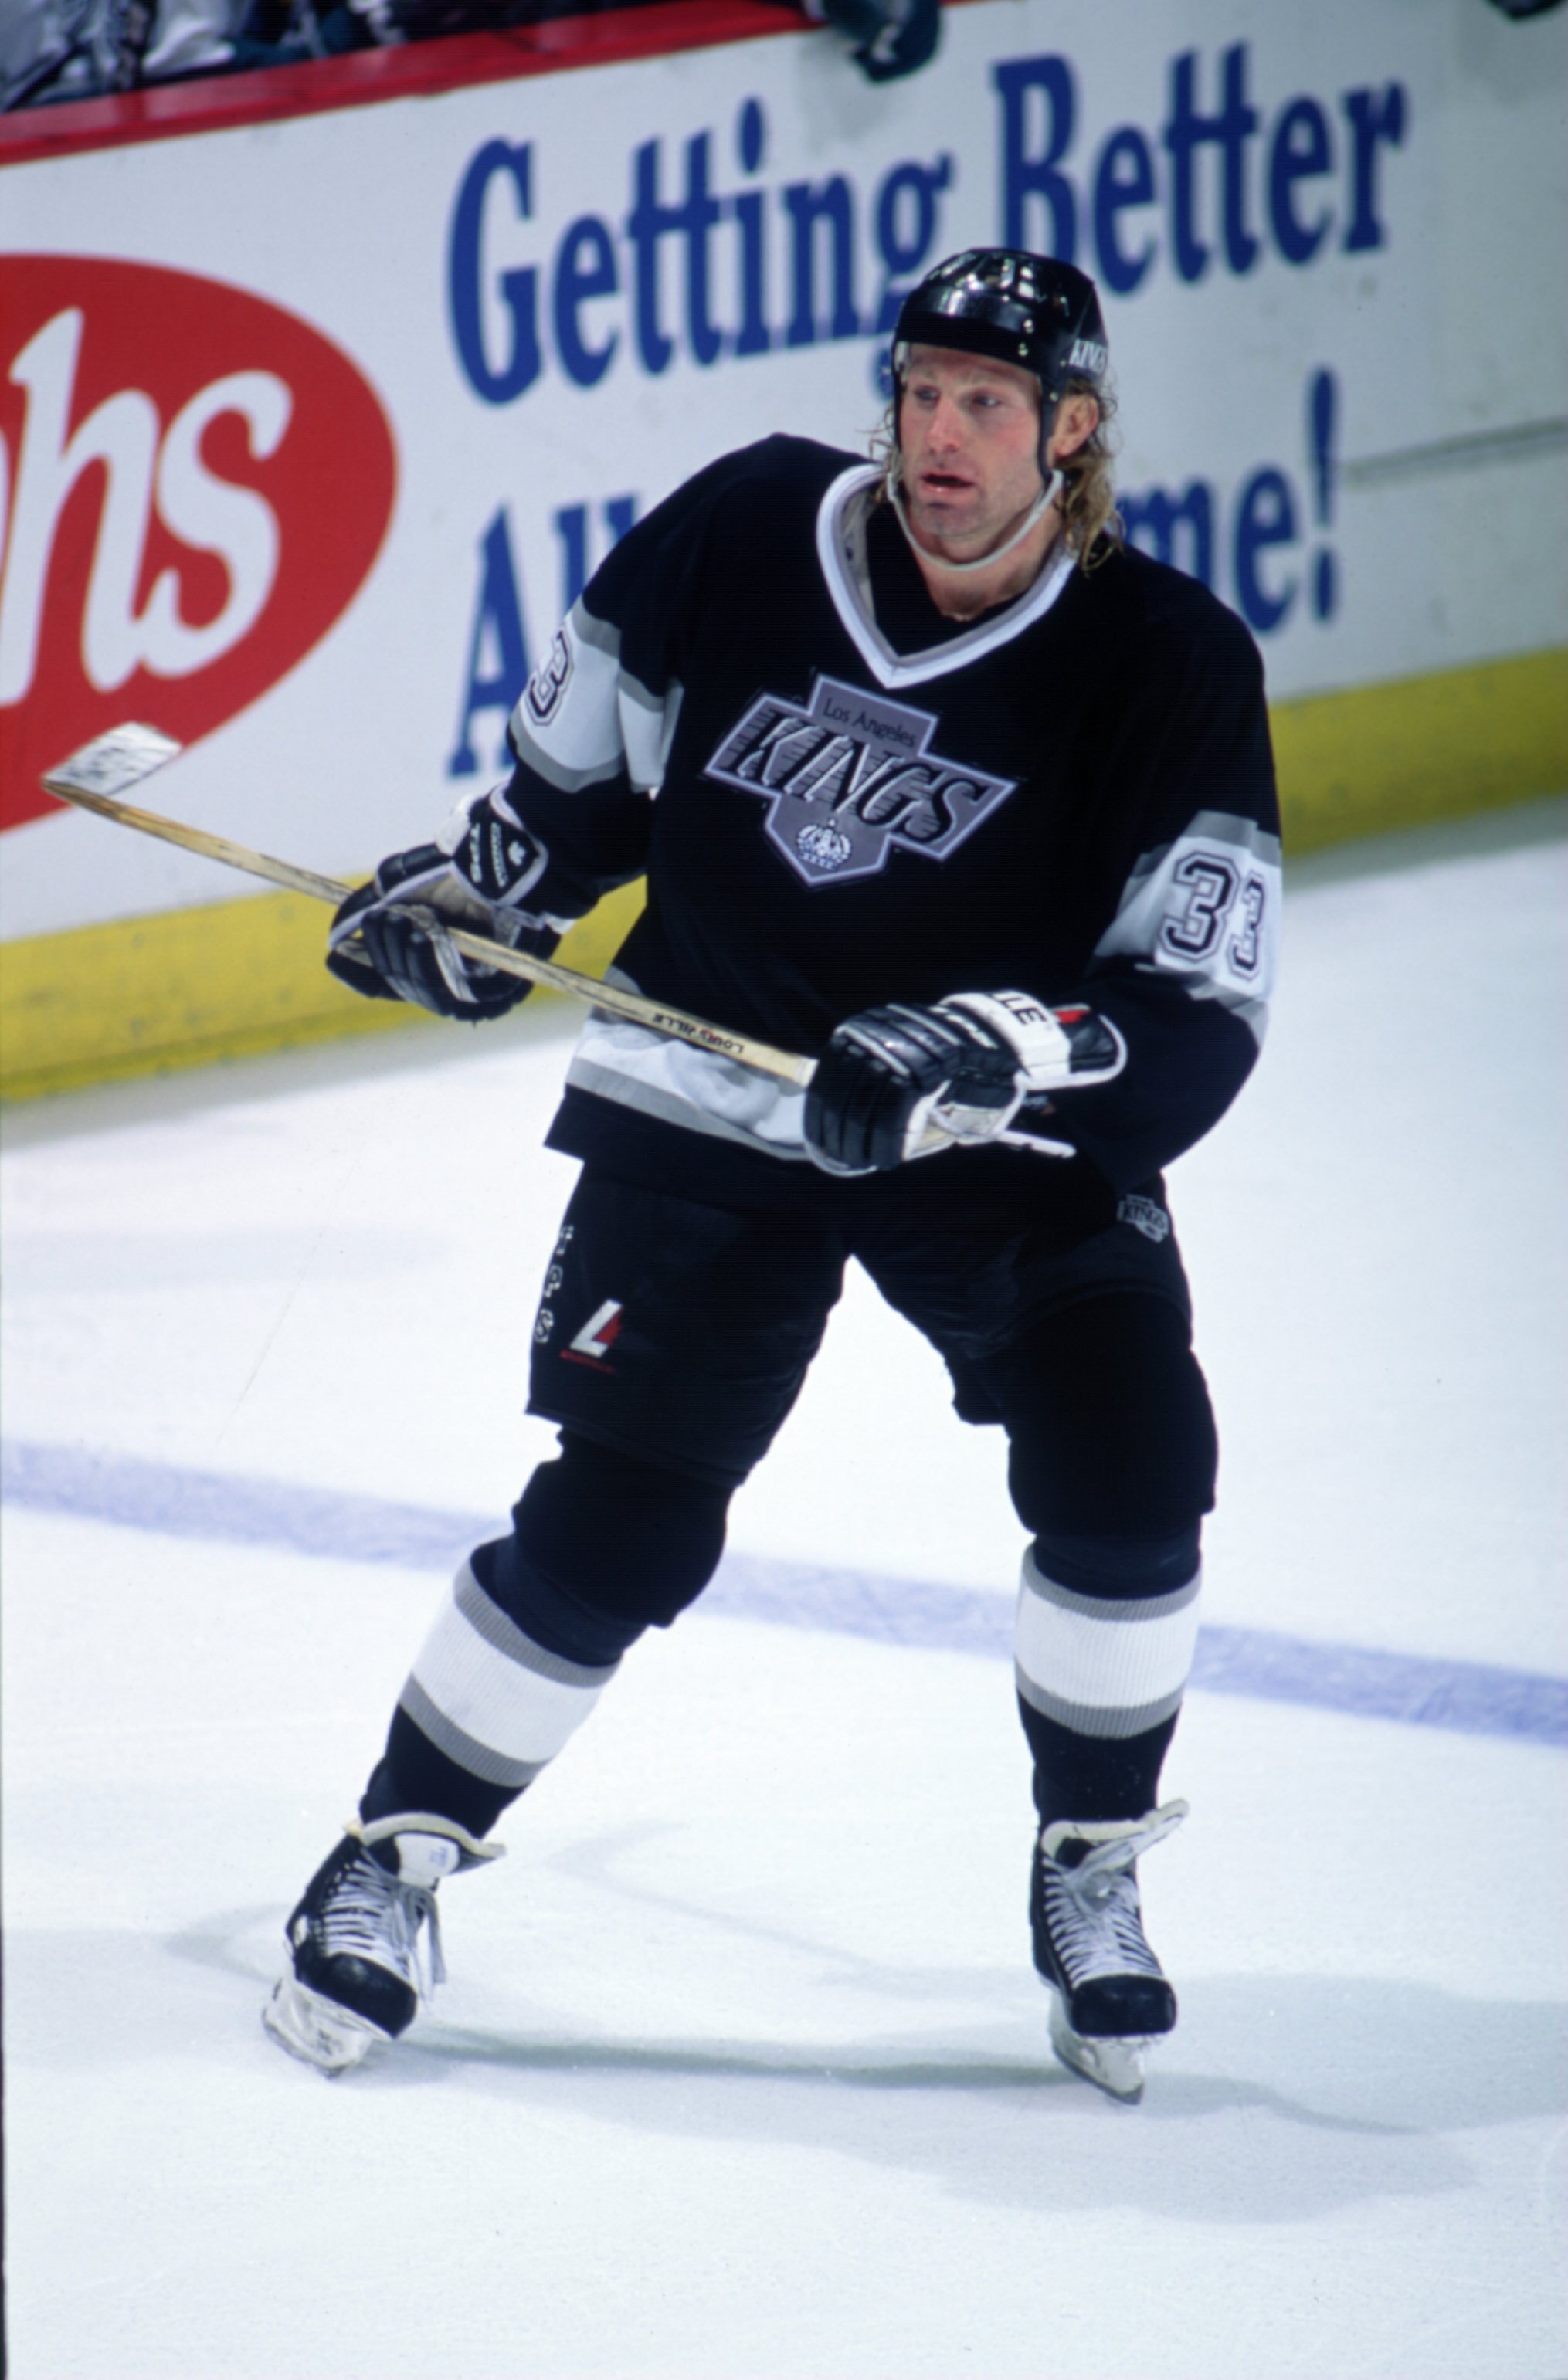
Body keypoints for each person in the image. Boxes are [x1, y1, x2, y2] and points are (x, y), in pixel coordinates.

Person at [264, 249, 1281, 2101]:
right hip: (711, 1083)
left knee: (1133, 1459)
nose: (943, 434)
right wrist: (473, 911)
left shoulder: (1169, 659)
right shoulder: (743, 525)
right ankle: (389, 1852)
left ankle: (1092, 1865)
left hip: (982, 1133)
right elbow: (572, 807)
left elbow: (1193, 1014)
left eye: (991, 403)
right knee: (629, 1511)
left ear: (1073, 432)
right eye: (921, 390)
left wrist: (995, 1045)